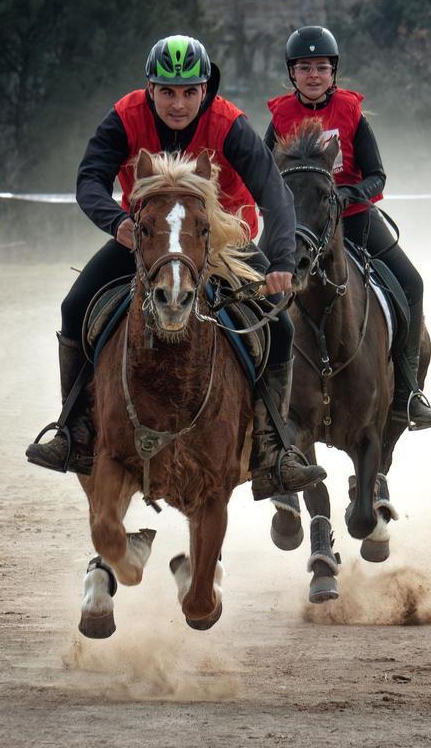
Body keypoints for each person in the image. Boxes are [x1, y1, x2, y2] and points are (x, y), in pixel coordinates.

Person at [25, 34, 326, 500]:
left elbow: (274, 191)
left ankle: (273, 449)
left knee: (281, 326)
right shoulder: (125, 116)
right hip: (146, 239)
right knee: (74, 306)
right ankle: (75, 432)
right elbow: (89, 180)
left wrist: (282, 259)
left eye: (189, 92)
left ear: (205, 90)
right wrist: (118, 224)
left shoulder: (229, 123)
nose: (178, 104)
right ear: (150, 88)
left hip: (221, 240)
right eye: (167, 91)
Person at [263, 25, 431, 431]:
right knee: (256, 286)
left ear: (333, 72)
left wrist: (349, 194)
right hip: (300, 225)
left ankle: (408, 391)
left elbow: (377, 175)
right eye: (304, 67)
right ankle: (262, 395)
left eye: (321, 67)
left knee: (411, 284)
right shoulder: (280, 118)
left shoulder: (350, 112)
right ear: (292, 73)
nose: (313, 75)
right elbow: (263, 173)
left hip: (354, 218)